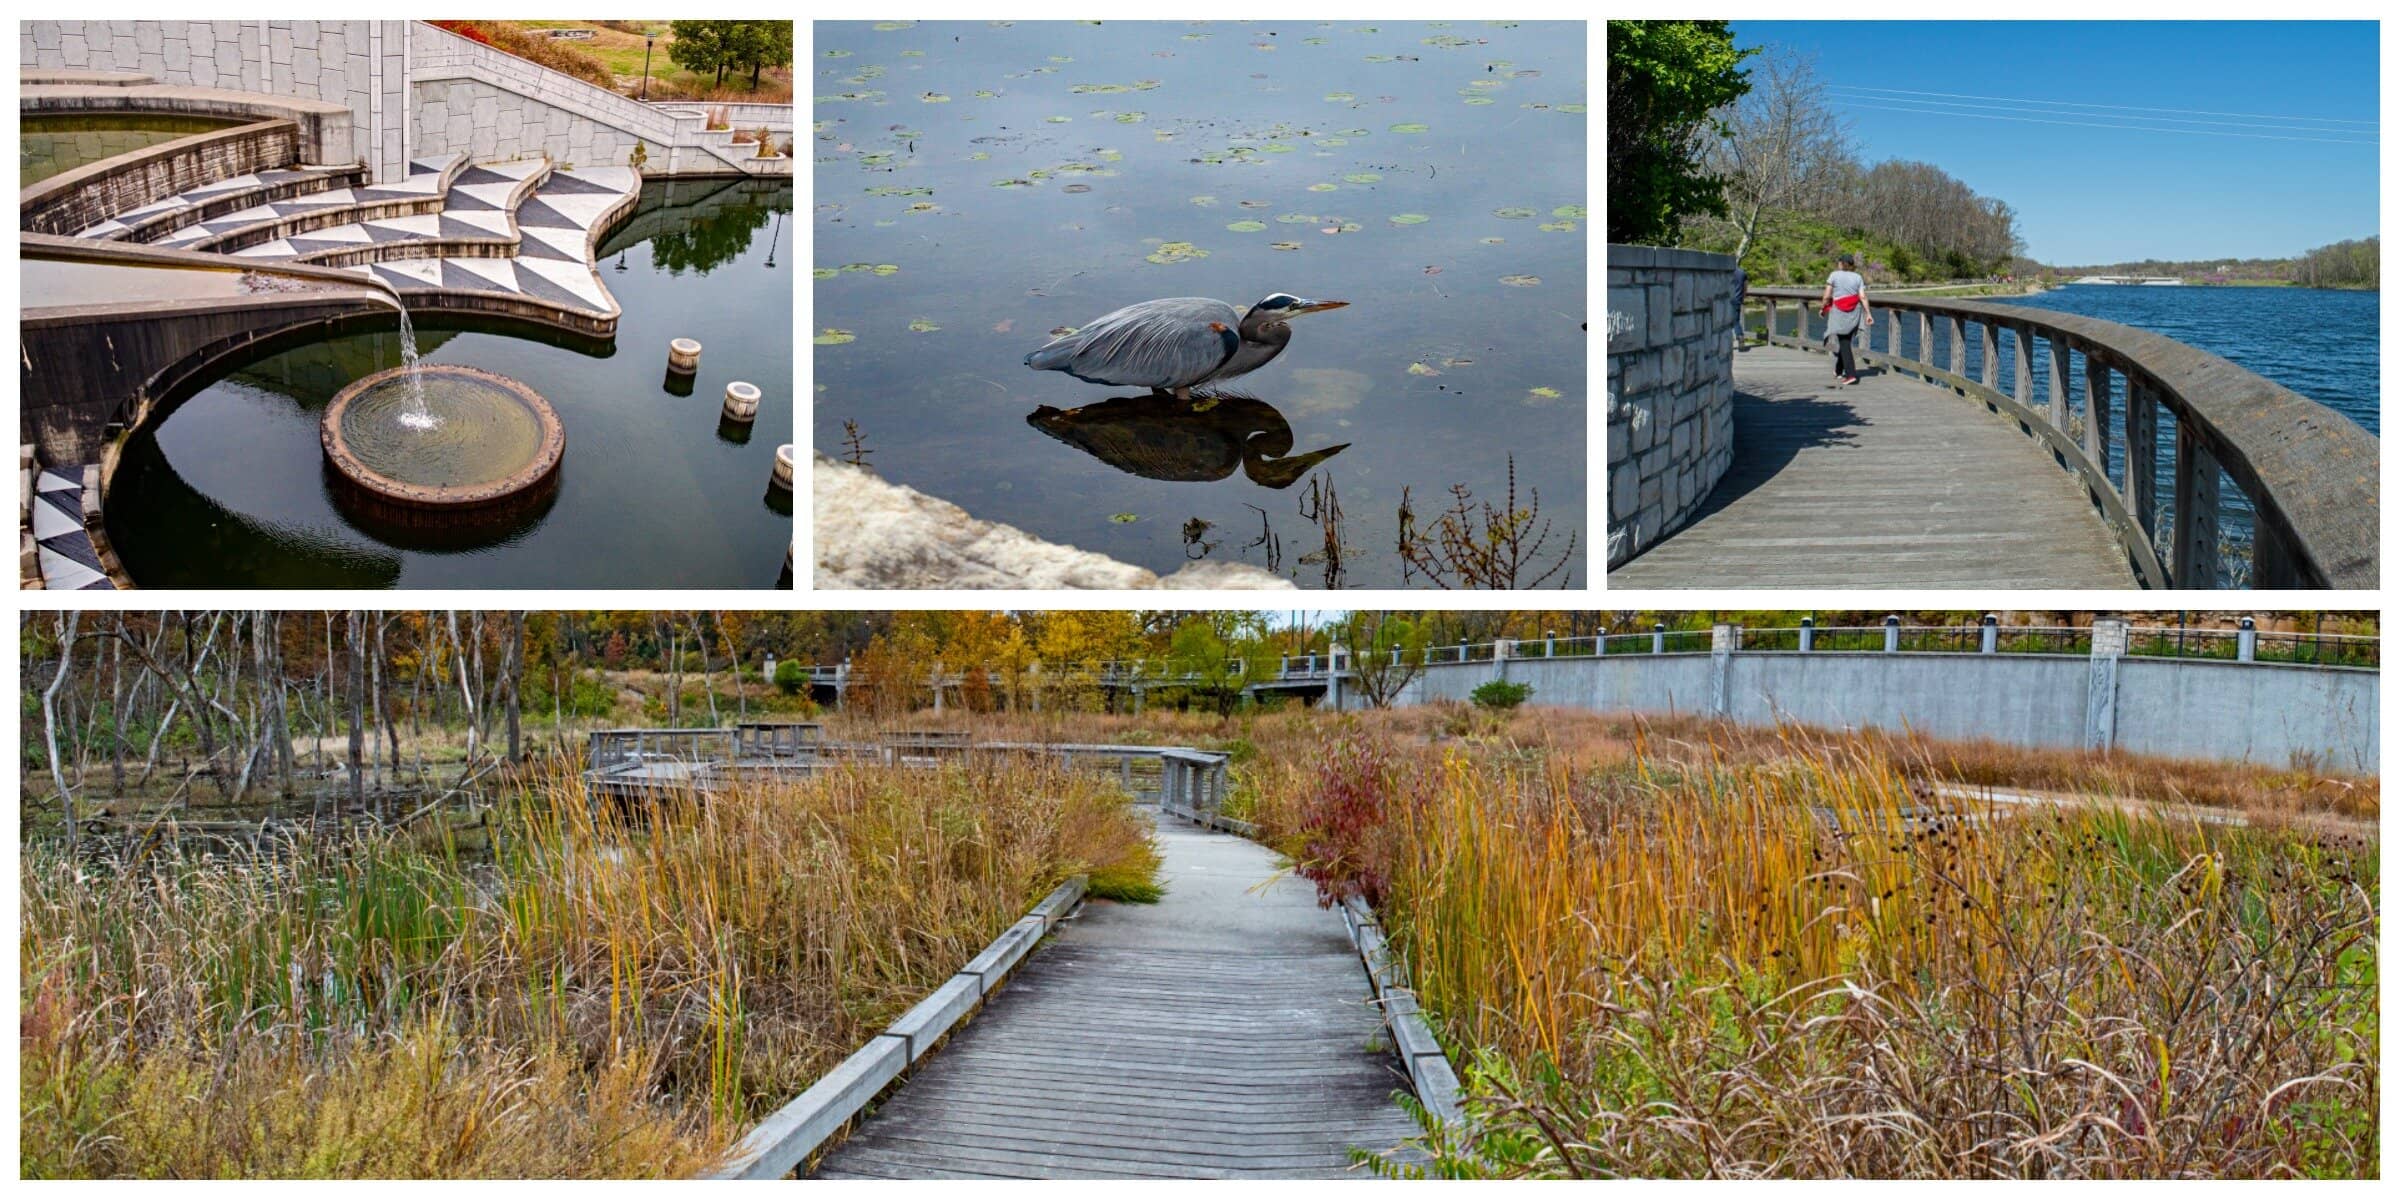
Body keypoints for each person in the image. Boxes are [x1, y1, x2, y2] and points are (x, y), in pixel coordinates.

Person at [1819, 253, 1872, 386]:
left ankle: (1851, 374)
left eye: (1839, 262)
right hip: (1854, 312)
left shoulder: (1834, 275)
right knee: (1846, 340)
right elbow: (1862, 297)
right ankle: (1838, 370)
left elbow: (1827, 295)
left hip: (1839, 312)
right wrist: (1868, 314)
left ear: (1842, 263)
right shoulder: (1858, 277)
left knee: (1844, 342)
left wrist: (1822, 308)